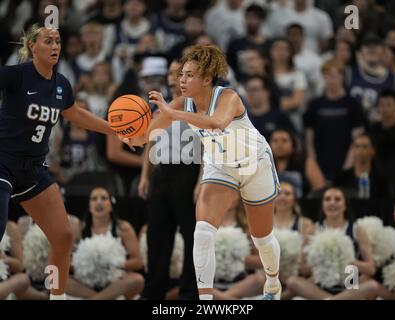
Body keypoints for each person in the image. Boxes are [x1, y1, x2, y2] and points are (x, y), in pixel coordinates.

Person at [124, 44, 282, 300]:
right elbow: (147, 134)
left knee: (261, 237)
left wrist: (171, 112)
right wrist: (128, 132)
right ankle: (205, 301)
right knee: (203, 232)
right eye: (181, 74)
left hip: (255, 164)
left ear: (207, 79)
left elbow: (216, 123)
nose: (181, 80)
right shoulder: (178, 104)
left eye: (188, 75)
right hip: (221, 166)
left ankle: (273, 284)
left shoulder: (229, 97)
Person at [0, 24, 124, 300]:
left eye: (58, 41)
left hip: (34, 169)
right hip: (4, 162)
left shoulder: (61, 84)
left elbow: (77, 115)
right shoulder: (16, 75)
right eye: (48, 41)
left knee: (63, 236)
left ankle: (57, 297)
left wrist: (117, 130)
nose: (55, 46)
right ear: (33, 46)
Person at [138, 58, 200, 300]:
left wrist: (200, 181)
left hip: (188, 171)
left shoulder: (197, 107)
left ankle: (189, 293)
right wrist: (145, 175)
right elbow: (150, 141)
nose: (176, 78)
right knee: (157, 235)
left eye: (182, 73)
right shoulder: (160, 107)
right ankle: (153, 291)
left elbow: (206, 146)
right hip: (161, 172)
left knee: (190, 235)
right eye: (174, 73)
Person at [66, 187, 144, 300]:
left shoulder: (123, 228)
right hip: (84, 283)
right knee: (56, 280)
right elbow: (67, 261)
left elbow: (138, 261)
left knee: (137, 280)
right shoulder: (79, 228)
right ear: (89, 206)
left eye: (104, 198)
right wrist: (83, 263)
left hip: (114, 282)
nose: (99, 202)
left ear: (111, 204)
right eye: (94, 199)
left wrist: (115, 263)